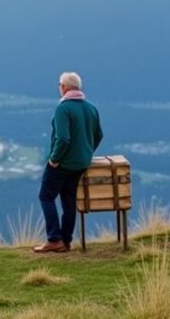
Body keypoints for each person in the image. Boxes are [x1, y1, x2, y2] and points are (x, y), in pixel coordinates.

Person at [33, 71, 103, 253]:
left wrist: (54, 159)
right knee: (68, 202)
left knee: (46, 196)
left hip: (62, 164)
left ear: (63, 87)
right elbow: (98, 135)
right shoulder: (90, 108)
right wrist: (85, 153)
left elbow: (63, 138)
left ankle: (54, 239)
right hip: (80, 164)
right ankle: (66, 241)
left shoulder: (63, 108)